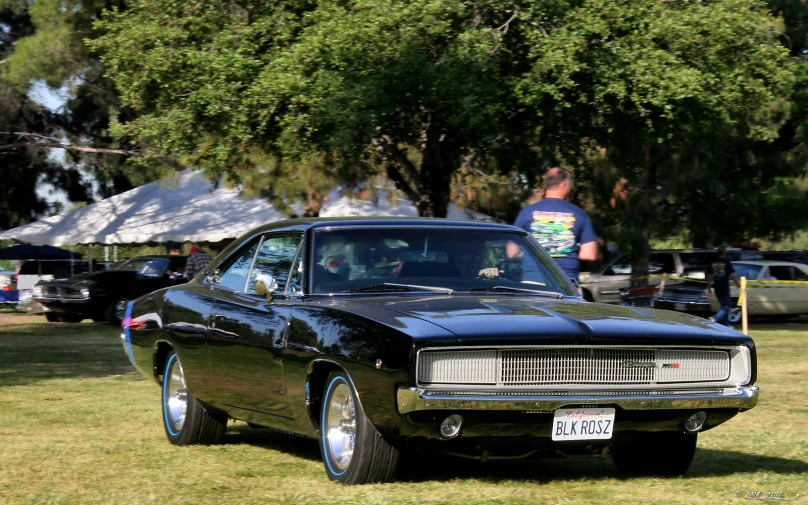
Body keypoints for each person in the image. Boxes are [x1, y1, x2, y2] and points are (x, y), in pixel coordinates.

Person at [512, 167, 598, 282]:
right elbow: (590, 254)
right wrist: (566, 247)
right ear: (563, 185)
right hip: (566, 282)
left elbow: (511, 251)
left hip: (533, 281)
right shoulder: (579, 214)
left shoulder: (526, 212)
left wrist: (532, 253)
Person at [706, 245, 741, 326]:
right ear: (725, 252)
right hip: (724, 287)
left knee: (723, 306)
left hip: (716, 287)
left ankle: (726, 325)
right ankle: (715, 318)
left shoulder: (713, 262)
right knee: (727, 306)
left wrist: (709, 287)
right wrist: (737, 283)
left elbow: (709, 275)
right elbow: (731, 274)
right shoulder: (726, 261)